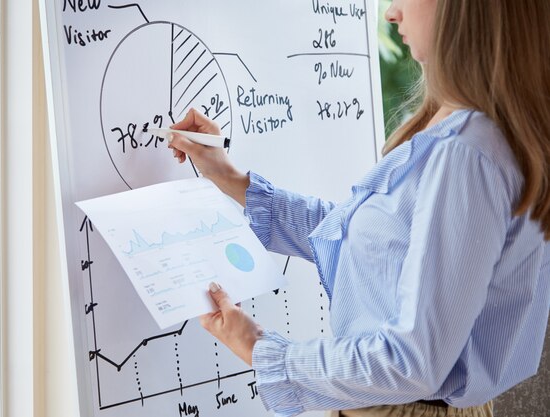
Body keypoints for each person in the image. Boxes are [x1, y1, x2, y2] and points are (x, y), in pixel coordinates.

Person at [167, 0, 550, 416]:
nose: (391, 12)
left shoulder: (466, 152)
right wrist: (232, 180)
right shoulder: (477, 134)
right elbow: (376, 247)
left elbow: (412, 363)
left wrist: (259, 348)